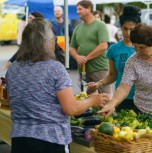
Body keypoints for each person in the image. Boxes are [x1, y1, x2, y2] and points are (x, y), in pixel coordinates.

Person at [6, 18, 110, 153]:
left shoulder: (13, 69)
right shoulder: (55, 69)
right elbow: (71, 108)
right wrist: (92, 100)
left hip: (20, 140)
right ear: (47, 43)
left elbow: (12, 101)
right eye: (52, 40)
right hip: (50, 141)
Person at [98, 23, 152, 123]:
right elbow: (123, 87)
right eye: (135, 47)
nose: (138, 51)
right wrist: (112, 103)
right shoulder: (132, 62)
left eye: (142, 48)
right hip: (144, 114)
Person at [87, 5, 141, 112]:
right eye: (125, 29)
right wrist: (98, 84)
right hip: (121, 98)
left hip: (142, 98)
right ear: (120, 27)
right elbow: (113, 74)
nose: (128, 33)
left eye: (132, 29)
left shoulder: (143, 48)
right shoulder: (114, 49)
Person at [69, 0, 111, 94]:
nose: (77, 12)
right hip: (83, 71)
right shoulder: (77, 28)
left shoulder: (100, 25)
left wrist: (86, 58)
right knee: (86, 98)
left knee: (105, 98)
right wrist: (77, 57)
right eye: (77, 9)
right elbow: (71, 48)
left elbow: (103, 46)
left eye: (80, 9)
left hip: (99, 69)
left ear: (88, 9)